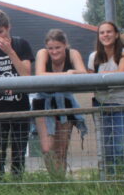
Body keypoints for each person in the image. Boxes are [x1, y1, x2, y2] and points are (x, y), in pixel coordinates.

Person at [0, 10, 35, 181]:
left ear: (8, 28)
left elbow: (26, 75)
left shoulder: (21, 44)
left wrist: (10, 52)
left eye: (0, 32)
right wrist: (2, 85)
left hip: (20, 106)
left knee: (19, 147)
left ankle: (17, 182)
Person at [32, 29, 88, 175]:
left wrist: (74, 72)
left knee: (61, 149)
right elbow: (39, 74)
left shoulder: (73, 53)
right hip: (43, 102)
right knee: (47, 148)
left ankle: (60, 181)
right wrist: (67, 74)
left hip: (65, 101)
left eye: (58, 47)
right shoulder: (42, 54)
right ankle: (54, 177)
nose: (54, 52)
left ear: (65, 45)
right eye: (51, 48)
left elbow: (83, 73)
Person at [87, 21, 124, 174]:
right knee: (105, 147)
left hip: (122, 104)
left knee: (120, 146)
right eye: (102, 32)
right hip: (101, 105)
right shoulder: (93, 57)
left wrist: (99, 77)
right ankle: (108, 180)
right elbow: (88, 79)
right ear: (98, 36)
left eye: (109, 32)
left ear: (116, 34)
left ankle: (121, 177)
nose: (105, 35)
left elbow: (121, 74)